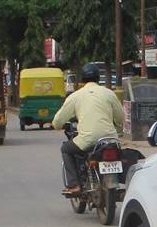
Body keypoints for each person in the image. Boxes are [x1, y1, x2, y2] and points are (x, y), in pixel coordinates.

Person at [51, 62, 125, 196]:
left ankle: (74, 185)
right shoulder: (109, 94)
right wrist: (118, 130)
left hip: (88, 140)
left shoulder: (75, 96)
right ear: (98, 78)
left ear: (82, 79)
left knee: (66, 149)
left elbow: (57, 121)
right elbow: (120, 117)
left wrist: (57, 125)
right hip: (110, 139)